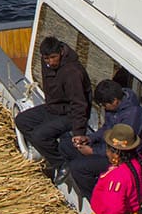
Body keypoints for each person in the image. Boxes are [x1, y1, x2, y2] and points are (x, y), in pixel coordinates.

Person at [13, 36, 91, 173]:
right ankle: (49, 151)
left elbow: (80, 104)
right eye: (46, 59)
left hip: (70, 113)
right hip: (53, 108)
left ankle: (62, 163)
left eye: (53, 57)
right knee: (21, 120)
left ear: (61, 52)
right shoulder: (47, 63)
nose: (50, 62)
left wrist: (79, 132)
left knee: (40, 136)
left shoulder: (72, 73)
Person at [62, 79, 142, 199]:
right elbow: (107, 128)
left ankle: (95, 199)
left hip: (122, 158)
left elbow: (122, 147)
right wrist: (89, 139)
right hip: (107, 146)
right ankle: (79, 178)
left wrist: (93, 152)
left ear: (114, 101)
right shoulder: (113, 108)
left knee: (78, 167)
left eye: (104, 105)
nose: (104, 108)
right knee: (67, 145)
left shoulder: (132, 115)